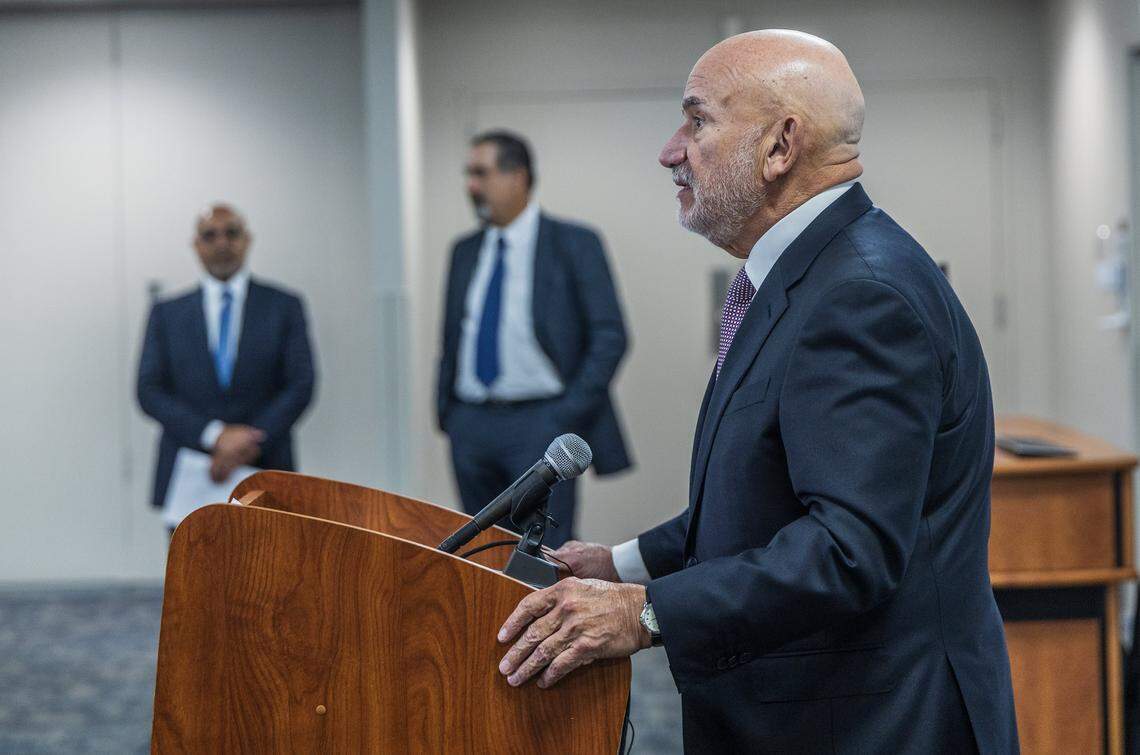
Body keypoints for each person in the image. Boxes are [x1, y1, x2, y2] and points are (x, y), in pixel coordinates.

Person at [494, 30, 1018, 753]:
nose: (670, 151)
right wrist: (621, 564)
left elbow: (848, 548)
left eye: (696, 121)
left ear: (780, 146)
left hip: (874, 722)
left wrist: (645, 612)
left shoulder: (861, 295)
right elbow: (765, 497)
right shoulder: (805, 273)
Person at [436, 131, 632, 548]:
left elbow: (610, 335)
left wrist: (565, 415)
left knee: (539, 555)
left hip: (541, 422)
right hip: (471, 425)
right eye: (469, 174)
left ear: (518, 177)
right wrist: (451, 417)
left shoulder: (574, 244)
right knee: (480, 552)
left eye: (481, 173)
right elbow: (453, 338)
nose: (471, 185)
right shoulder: (464, 251)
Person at [137, 204, 316, 517]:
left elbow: (301, 384)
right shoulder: (167, 313)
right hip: (190, 473)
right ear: (196, 245)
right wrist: (215, 435)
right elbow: (149, 390)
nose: (222, 243)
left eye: (231, 233)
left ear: (247, 240)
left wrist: (248, 440)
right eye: (210, 235)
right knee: (190, 552)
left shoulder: (284, 306)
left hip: (266, 467)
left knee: (269, 551)